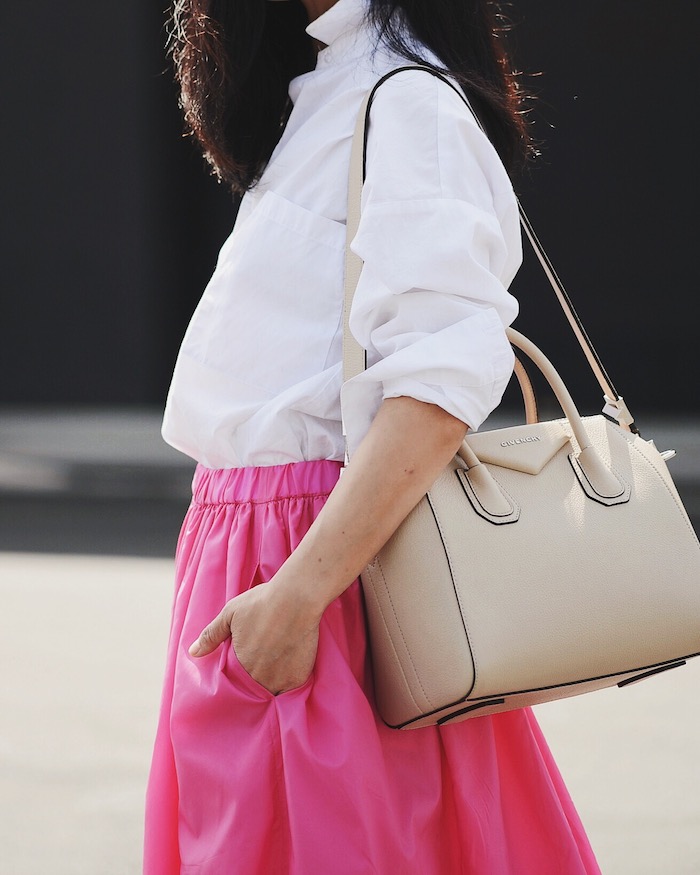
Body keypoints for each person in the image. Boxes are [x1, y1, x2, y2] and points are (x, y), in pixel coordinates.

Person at [144, 0, 602, 872]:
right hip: (264, 559)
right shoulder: (333, 85)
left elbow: (437, 387)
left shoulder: (406, 99)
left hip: (327, 574)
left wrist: (301, 592)